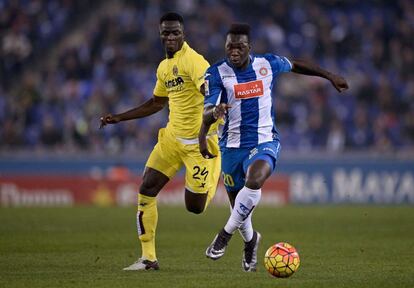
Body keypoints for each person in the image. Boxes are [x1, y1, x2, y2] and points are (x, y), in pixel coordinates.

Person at [198, 23, 348, 272]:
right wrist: (214, 112)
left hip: (264, 140)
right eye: (229, 47)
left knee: (255, 180)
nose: (234, 51)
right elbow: (206, 111)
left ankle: (223, 236)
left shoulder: (266, 64)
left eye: (239, 46)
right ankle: (251, 240)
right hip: (231, 147)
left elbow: (296, 64)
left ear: (249, 47)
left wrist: (329, 76)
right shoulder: (216, 74)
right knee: (240, 208)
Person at [100, 12, 221, 271]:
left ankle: (213, 173)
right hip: (171, 140)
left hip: (199, 144)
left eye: (175, 32)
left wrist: (215, 113)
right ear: (160, 35)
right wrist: (119, 118)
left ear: (183, 34)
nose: (170, 37)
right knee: (145, 190)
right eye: (165, 32)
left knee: (195, 208)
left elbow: (209, 90)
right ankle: (148, 258)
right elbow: (157, 102)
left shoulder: (194, 61)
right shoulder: (164, 67)